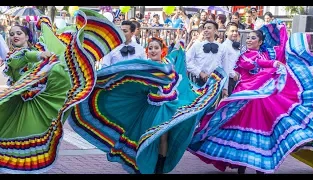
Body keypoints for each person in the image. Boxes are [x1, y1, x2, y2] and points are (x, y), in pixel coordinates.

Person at [67, 35, 228, 174]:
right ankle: (141, 164)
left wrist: (180, 46)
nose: (152, 50)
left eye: (156, 48)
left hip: (165, 108)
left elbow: (178, 58)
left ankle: (158, 168)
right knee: (143, 136)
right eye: (150, 48)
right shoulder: (144, 67)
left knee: (162, 137)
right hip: (150, 107)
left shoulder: (168, 65)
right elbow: (127, 72)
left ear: (162, 50)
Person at [0, 8, 124, 173]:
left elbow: (57, 64)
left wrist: (46, 50)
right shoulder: (14, 56)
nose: (14, 36)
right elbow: (22, 59)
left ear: (27, 36)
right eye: (12, 34)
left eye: (18, 33)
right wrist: (39, 56)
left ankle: (28, 169)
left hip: (40, 104)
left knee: (34, 136)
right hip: (18, 104)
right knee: (10, 136)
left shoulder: (42, 48)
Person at [189, 21, 313, 174]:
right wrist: (273, 63)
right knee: (241, 130)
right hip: (244, 97)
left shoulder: (266, 54)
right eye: (248, 38)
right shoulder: (245, 56)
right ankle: (241, 165)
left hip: (259, 97)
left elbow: (281, 50)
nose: (249, 40)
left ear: (260, 42)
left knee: (262, 128)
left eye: (253, 38)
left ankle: (260, 165)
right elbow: (254, 63)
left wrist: (281, 29)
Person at [186, 20, 229, 98]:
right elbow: (186, 61)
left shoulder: (223, 47)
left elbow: (226, 68)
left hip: (216, 84)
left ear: (216, 31)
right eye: (204, 28)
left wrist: (225, 88)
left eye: (209, 28)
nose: (206, 30)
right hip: (199, 82)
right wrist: (199, 72)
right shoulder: (197, 45)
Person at [222, 22, 241, 96]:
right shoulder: (224, 46)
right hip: (229, 80)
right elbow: (223, 65)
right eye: (232, 31)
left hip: (236, 79)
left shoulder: (235, 45)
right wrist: (233, 74)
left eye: (236, 31)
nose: (235, 33)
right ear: (226, 33)